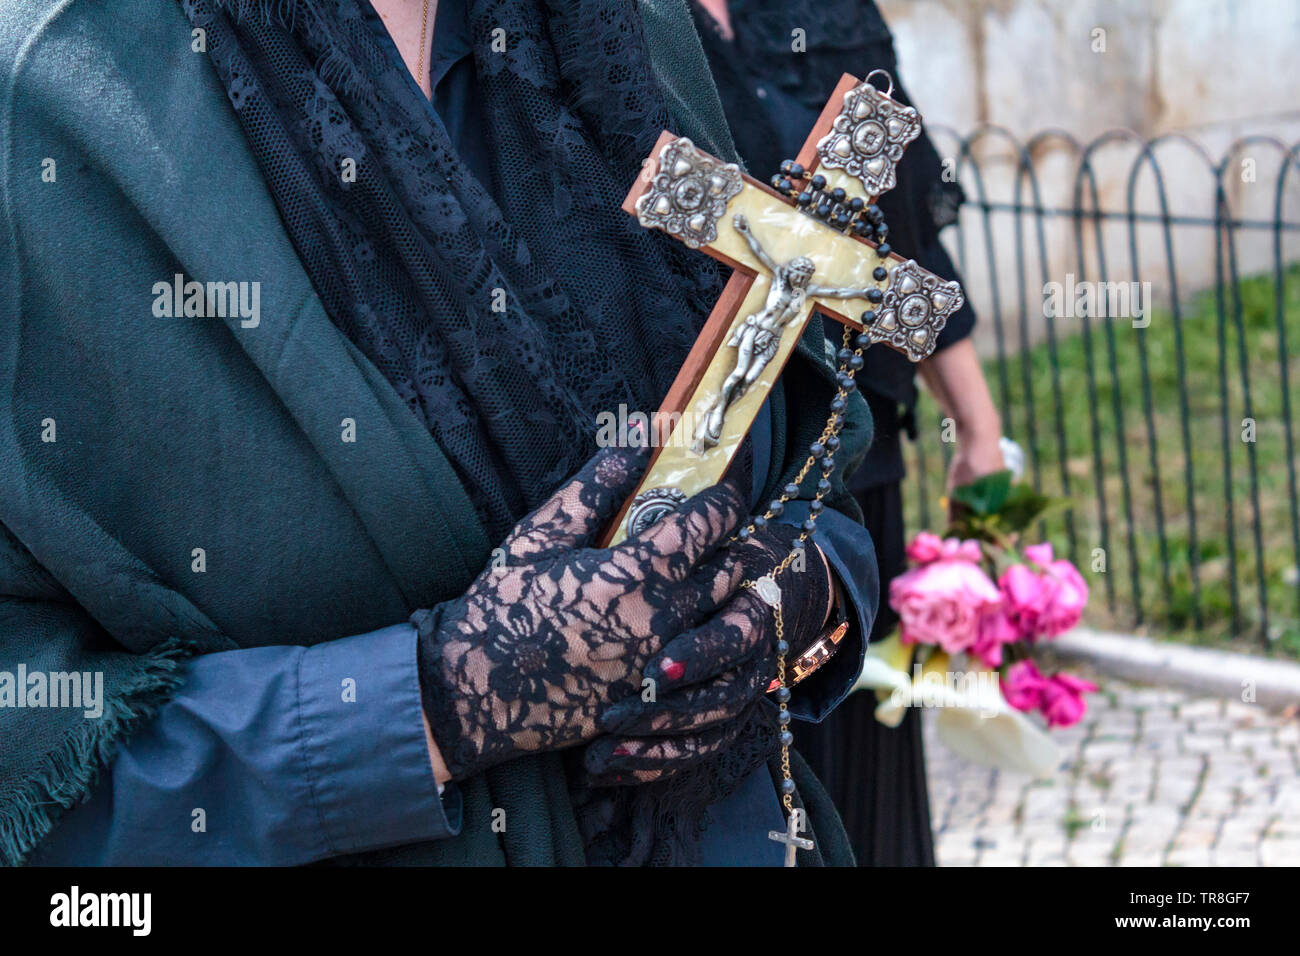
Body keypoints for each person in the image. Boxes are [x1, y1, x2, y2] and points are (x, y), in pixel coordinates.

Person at [0, 0, 882, 866]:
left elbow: (806, 457)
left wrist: (802, 594)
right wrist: (436, 706)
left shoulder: (623, 26)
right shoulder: (43, 96)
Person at [691, 0, 1005, 865]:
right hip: (714, 478)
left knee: (868, 769)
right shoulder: (600, 26)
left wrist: (977, 428)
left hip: (854, 456)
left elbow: (905, 242)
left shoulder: (830, 13)